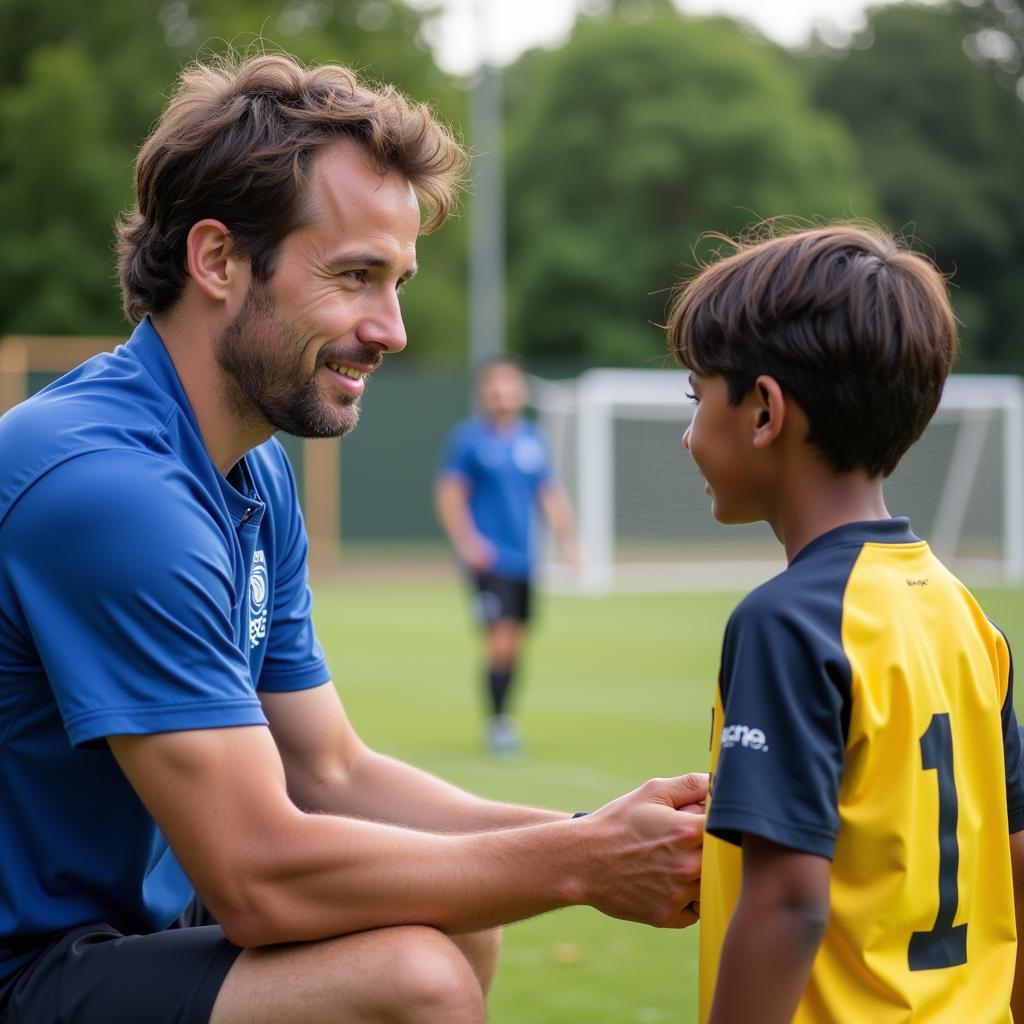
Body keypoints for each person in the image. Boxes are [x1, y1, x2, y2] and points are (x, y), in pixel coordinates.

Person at [0, 53, 708, 1024]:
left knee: (460, 910)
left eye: (399, 281)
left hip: (122, 933)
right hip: (25, 961)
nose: (394, 328)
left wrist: (610, 836)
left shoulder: (251, 471)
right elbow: (257, 877)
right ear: (216, 261)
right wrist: (582, 862)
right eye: (356, 277)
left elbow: (331, 770)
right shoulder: (108, 487)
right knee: (409, 973)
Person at [666, 222, 1024, 1023]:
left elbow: (790, 904)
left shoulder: (788, 623)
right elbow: (1015, 856)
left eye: (696, 400)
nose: (688, 434)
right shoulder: (966, 616)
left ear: (764, 412)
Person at [436, 356, 579, 753]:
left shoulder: (532, 439)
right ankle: (498, 724)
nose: (502, 393)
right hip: (490, 560)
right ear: (483, 392)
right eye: (494, 386)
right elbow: (450, 494)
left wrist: (569, 541)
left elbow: (548, 494)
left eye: (509, 385)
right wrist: (468, 542)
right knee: (499, 641)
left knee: (515, 642)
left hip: (524, 561)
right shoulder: (468, 440)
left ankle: (504, 718)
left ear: (521, 391)